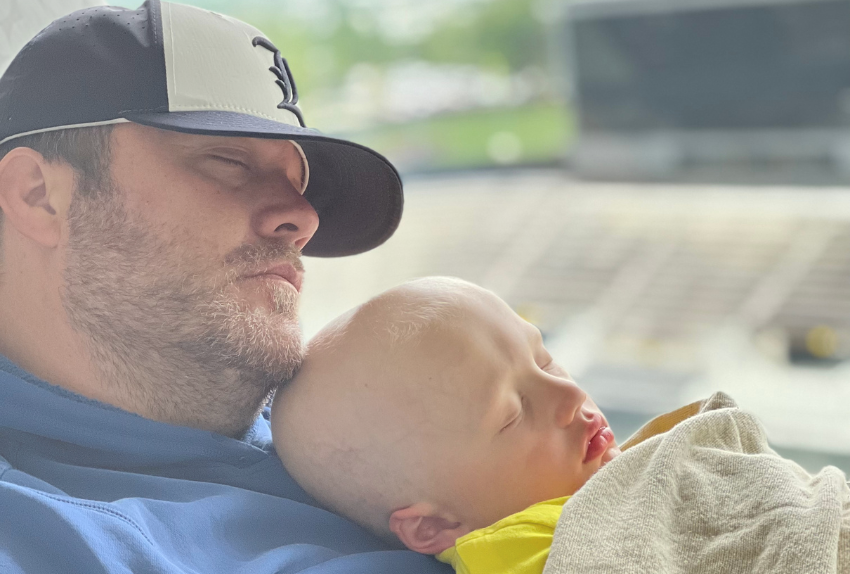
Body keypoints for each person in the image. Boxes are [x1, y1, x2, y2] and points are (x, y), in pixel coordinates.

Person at [0, 2, 449, 573]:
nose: (303, 218)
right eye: (228, 160)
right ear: (39, 194)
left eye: (300, 181)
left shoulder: (380, 444)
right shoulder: (34, 536)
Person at [273, 276, 626, 574]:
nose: (570, 394)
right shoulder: (528, 549)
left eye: (544, 362)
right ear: (436, 526)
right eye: (513, 414)